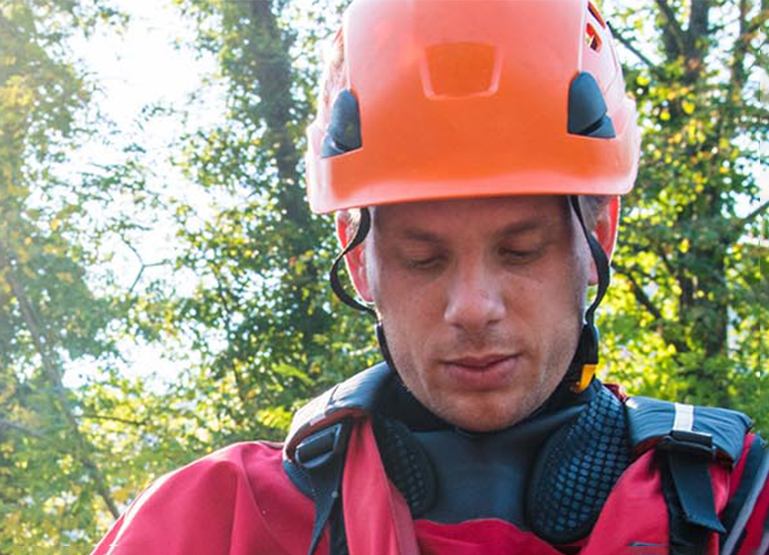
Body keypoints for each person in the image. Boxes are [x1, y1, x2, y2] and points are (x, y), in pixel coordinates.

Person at [91, 0, 768, 553]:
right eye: (424, 257)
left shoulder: (738, 510)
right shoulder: (212, 524)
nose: (473, 308)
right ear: (358, 256)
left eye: (521, 249)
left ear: (599, 234)